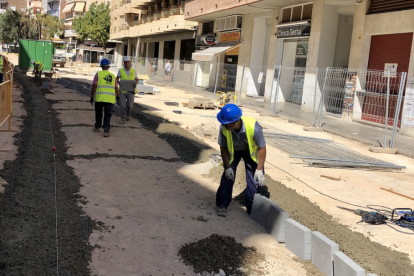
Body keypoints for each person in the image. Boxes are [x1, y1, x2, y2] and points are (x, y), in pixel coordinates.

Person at [215, 104, 267, 217]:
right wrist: (227, 167)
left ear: (234, 122)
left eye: (225, 122)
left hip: (250, 152)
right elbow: (223, 148)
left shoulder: (254, 127)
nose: (223, 124)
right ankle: (222, 205)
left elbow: (262, 148)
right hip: (233, 151)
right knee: (227, 177)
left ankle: (252, 208)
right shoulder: (224, 128)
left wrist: (259, 170)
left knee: (255, 179)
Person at [90, 58, 119, 137]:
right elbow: (116, 88)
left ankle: (97, 126)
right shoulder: (113, 76)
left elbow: (94, 86)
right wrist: (118, 96)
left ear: (101, 66)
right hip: (109, 99)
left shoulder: (98, 74)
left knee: (99, 113)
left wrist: (92, 96)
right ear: (108, 67)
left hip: (99, 98)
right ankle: (106, 130)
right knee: (108, 114)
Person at [116, 56, 139, 124]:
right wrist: (118, 82)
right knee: (122, 105)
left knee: (130, 105)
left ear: (130, 63)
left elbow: (137, 79)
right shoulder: (121, 70)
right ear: (123, 63)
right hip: (122, 90)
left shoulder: (133, 71)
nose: (126, 63)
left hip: (131, 91)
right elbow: (117, 78)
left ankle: (128, 114)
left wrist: (135, 84)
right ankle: (122, 118)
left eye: (128, 62)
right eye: (125, 62)